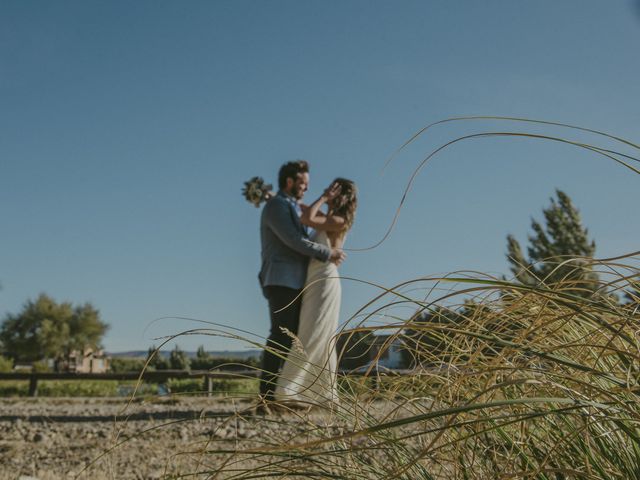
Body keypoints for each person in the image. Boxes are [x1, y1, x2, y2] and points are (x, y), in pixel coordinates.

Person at [258, 160, 346, 403]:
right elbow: (293, 240)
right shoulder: (276, 205)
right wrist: (328, 253)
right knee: (280, 335)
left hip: (296, 281)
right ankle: (266, 395)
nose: (306, 188)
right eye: (303, 183)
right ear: (290, 182)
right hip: (281, 279)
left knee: (293, 337)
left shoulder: (288, 204)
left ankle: (282, 393)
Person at [275, 178, 358, 408]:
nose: (329, 193)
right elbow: (302, 211)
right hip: (315, 280)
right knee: (317, 334)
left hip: (325, 281)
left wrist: (322, 197)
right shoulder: (327, 219)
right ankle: (320, 394)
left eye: (334, 190)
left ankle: (288, 390)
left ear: (341, 196)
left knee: (312, 333)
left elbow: (306, 218)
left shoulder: (338, 220)